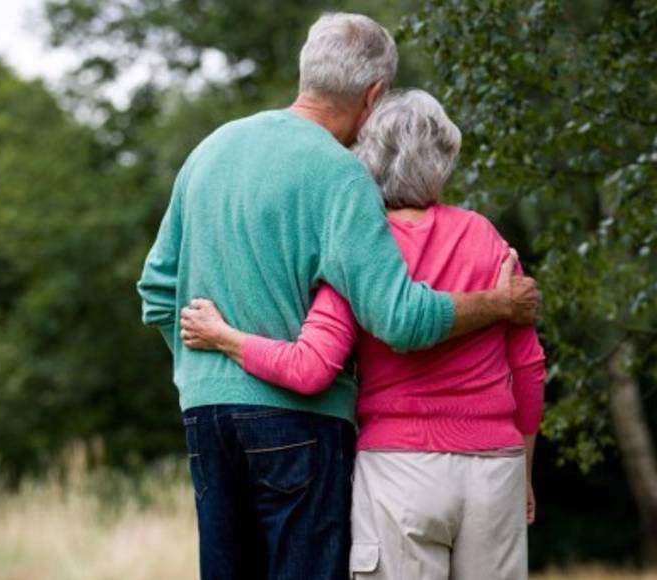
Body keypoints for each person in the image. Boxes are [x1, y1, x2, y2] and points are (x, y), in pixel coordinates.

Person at [136, 12, 540, 580]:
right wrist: (498, 304)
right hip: (299, 426)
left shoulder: (209, 151)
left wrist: (207, 370)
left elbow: (156, 294)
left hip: (206, 414)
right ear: (373, 96)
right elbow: (398, 318)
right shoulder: (340, 175)